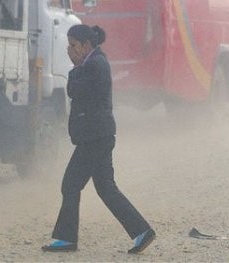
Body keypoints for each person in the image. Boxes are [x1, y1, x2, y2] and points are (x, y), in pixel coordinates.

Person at [42, 24, 156, 254]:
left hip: (94, 138)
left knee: (71, 184)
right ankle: (142, 232)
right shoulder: (94, 63)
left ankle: (66, 240)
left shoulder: (95, 64)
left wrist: (74, 71)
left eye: (73, 45)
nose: (69, 50)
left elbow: (75, 90)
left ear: (86, 45)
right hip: (97, 136)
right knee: (105, 188)